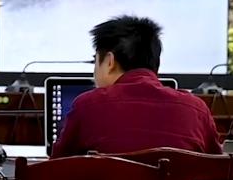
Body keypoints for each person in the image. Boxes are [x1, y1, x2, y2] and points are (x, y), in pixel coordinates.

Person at [51, 15, 221, 157]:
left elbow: (55, 172)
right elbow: (218, 174)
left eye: (94, 61)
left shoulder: (87, 106)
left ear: (109, 61)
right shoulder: (197, 110)